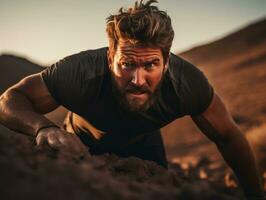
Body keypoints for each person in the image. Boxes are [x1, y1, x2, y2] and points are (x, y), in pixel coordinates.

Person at [0, 0, 264, 199]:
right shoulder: (79, 71)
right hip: (78, 142)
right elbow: (10, 100)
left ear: (167, 62)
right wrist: (43, 127)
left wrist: (255, 195)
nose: (138, 79)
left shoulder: (187, 84)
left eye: (151, 64)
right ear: (109, 58)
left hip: (143, 144)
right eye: (126, 64)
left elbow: (227, 135)